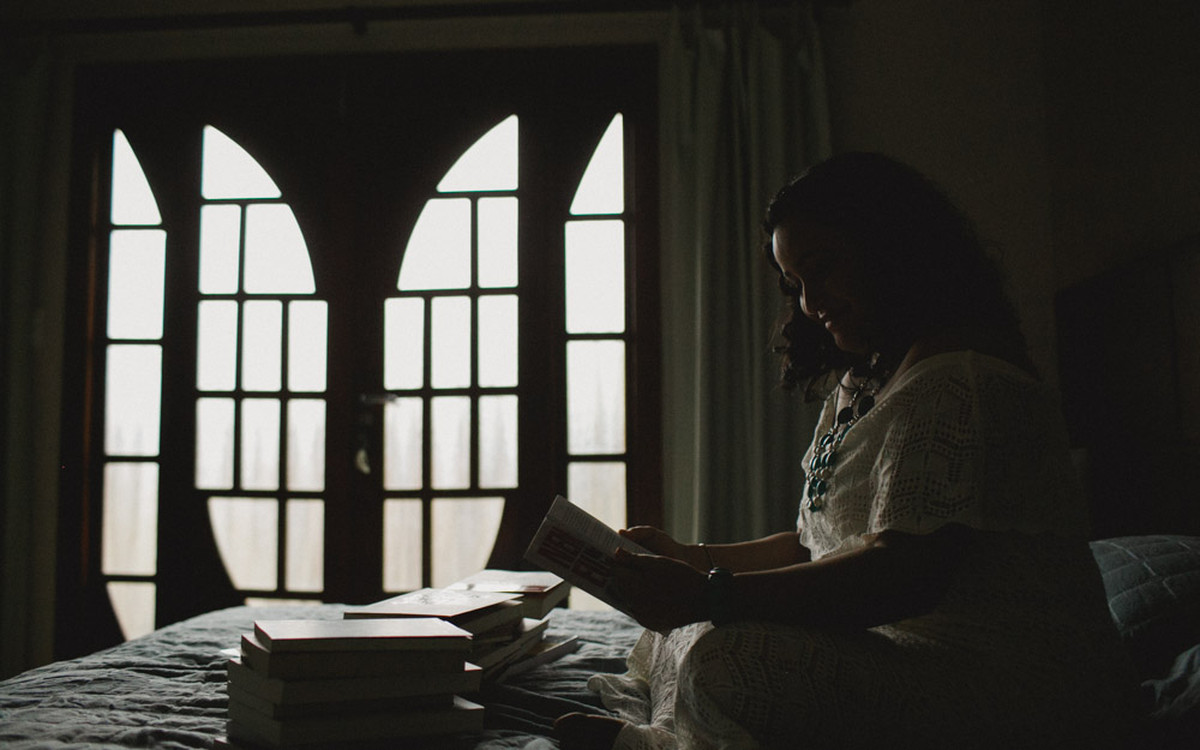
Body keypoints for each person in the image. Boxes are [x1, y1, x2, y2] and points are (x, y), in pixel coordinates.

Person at [555, 152, 1136, 749]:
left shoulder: (962, 380)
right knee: (682, 629)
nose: (810, 303)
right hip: (905, 651)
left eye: (822, 269)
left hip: (998, 682)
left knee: (721, 654)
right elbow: (817, 547)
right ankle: (668, 737)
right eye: (795, 284)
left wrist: (710, 591)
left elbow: (899, 576)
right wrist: (688, 559)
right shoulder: (865, 382)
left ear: (891, 248)